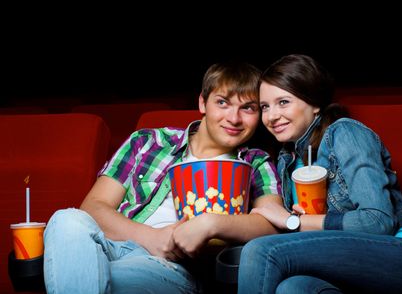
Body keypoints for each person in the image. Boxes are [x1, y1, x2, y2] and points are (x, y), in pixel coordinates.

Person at [43, 62, 283, 294]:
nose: (234, 118)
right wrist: (152, 238)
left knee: (104, 281)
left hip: (170, 267)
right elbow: (93, 208)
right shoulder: (148, 142)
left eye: (248, 108)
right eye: (222, 102)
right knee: (66, 219)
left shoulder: (255, 161)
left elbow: (271, 226)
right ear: (202, 102)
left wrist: (211, 223)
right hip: (107, 247)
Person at [237, 54, 402, 294]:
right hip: (348, 269)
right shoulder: (286, 159)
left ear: (315, 103)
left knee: (260, 250)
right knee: (293, 288)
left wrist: (293, 222)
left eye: (283, 102)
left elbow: (378, 221)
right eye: (265, 107)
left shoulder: (345, 133)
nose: (271, 116)